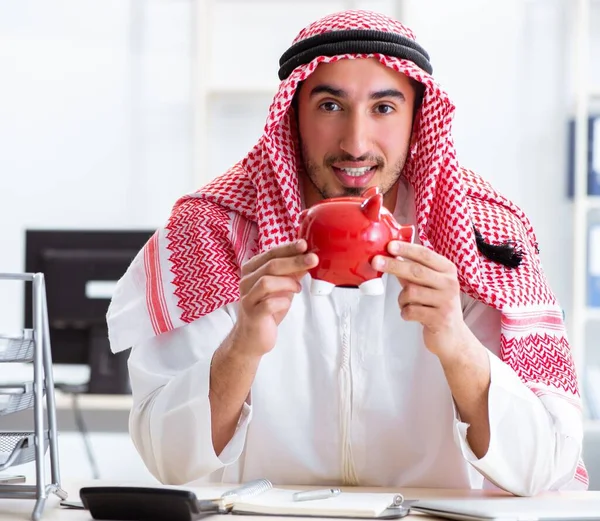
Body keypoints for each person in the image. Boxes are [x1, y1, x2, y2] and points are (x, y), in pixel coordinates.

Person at [106, 10, 588, 495]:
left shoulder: (485, 236)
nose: (356, 144)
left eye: (383, 108)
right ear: (292, 117)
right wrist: (243, 344)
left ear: (417, 119)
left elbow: (543, 467)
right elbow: (166, 460)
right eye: (331, 106)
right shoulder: (210, 235)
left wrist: (455, 341)